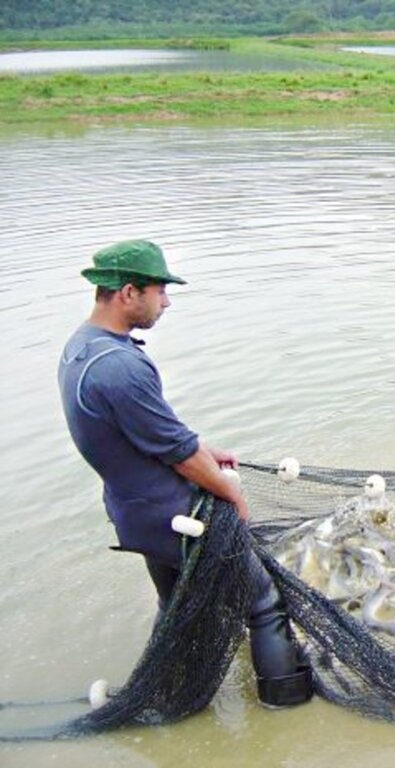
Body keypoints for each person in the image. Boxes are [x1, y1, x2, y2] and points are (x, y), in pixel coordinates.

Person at [58, 240, 312, 708]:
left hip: (139, 513)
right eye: (160, 291)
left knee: (177, 606)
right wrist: (230, 496)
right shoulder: (119, 367)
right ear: (128, 292)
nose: (167, 302)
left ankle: (170, 693)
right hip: (179, 516)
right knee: (263, 603)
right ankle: (286, 704)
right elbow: (177, 452)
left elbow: (148, 433)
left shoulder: (84, 347)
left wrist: (204, 449)